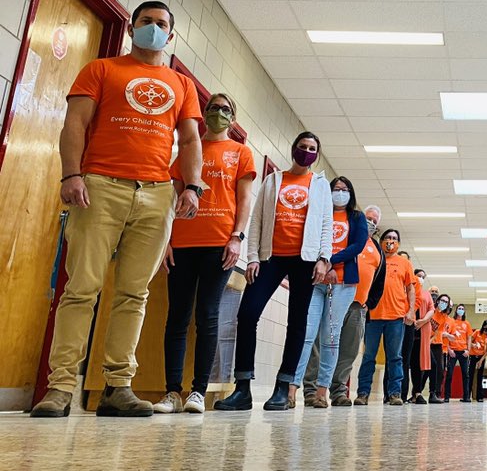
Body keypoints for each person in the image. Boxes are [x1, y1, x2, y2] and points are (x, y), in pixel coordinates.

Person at [32, 1, 202, 419]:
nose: (153, 29)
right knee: (81, 288)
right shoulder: (101, 69)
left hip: (156, 193)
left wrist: (193, 186)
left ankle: (117, 387)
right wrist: (71, 175)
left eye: (162, 24)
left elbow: (192, 140)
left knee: (134, 293)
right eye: (146, 22)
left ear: (171, 36)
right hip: (100, 186)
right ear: (132, 27)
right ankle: (60, 389)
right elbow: (74, 124)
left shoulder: (181, 85)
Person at [214, 132, 333, 411]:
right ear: (293, 149)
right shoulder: (273, 180)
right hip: (271, 258)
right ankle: (242, 388)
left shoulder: (320, 185)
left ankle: (283, 388)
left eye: (312, 149)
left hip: (305, 259)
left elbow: (326, 224)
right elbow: (256, 221)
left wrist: (323, 258)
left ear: (316, 154)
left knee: (297, 323)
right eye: (302, 147)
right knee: (247, 314)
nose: (306, 151)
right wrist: (253, 257)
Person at [154, 93, 256, 415]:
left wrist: (237, 238)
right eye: (213, 108)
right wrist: (166, 240)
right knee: (177, 317)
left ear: (233, 117)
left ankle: (198, 391)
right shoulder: (189, 149)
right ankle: (172, 392)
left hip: (219, 244)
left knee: (208, 316)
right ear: (204, 113)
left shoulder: (240, 153)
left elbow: (244, 200)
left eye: (226, 110)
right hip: (182, 242)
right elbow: (170, 198)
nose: (219, 113)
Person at [291, 176, 368, 408]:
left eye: (345, 189)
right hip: (315, 281)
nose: (340, 193)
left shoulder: (356, 217)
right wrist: (322, 264)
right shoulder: (320, 213)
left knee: (330, 339)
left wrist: (330, 262)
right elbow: (309, 240)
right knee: (306, 335)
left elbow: (358, 245)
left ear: (351, 193)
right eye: (336, 189)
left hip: (343, 284)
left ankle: (321, 392)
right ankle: (291, 389)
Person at [303, 204, 383, 406]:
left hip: (357, 307)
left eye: (374, 221)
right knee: (320, 345)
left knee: (348, 351)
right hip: (333, 296)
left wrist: (369, 304)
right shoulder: (345, 237)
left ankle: (338, 392)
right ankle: (311, 390)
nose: (370, 223)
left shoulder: (377, 249)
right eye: (368, 218)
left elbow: (379, 281)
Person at [355, 229, 416, 406]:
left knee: (395, 357)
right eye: (388, 238)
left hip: (396, 316)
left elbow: (410, 288)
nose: (391, 241)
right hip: (373, 315)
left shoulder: (404, 263)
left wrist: (411, 310)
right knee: (368, 356)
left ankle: (394, 393)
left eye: (395, 238)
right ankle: (363, 393)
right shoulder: (376, 258)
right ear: (381, 241)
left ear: (399, 243)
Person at [409, 269, 436, 404]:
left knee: (419, 365)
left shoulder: (426, 294)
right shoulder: (407, 290)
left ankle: (417, 393)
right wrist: (414, 321)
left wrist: (422, 321)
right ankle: (400, 393)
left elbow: (432, 309)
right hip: (409, 328)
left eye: (423, 277)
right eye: (419, 276)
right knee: (405, 362)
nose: (421, 278)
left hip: (422, 332)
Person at [444, 303, 473, 402]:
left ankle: (466, 397)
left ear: (464, 311)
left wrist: (468, 350)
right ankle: (447, 397)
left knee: (466, 374)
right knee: (449, 374)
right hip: (452, 351)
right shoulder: (451, 321)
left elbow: (469, 338)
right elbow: (446, 335)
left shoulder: (467, 324)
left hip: (463, 351)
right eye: (459, 308)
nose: (460, 310)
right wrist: (449, 349)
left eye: (462, 309)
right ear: (456, 310)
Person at [428, 294, 453, 403]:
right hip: (426, 342)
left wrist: (445, 336)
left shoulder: (443, 317)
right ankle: (417, 392)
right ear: (437, 300)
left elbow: (438, 332)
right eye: (442, 300)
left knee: (439, 370)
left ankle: (435, 393)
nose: (443, 303)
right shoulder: (431, 310)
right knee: (425, 369)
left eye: (446, 302)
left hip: (437, 344)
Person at [468, 320, 487, 401]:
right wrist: (473, 345)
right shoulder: (477, 332)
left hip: (481, 357)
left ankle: (479, 396)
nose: (486, 328)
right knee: (470, 376)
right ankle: (467, 395)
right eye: (485, 326)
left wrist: (481, 361)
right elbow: (469, 341)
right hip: (472, 356)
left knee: (480, 377)